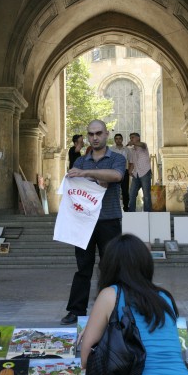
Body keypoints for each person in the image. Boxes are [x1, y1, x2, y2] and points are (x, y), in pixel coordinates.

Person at [81, 234, 188, 375]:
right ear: (146, 263)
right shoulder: (164, 298)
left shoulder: (110, 295)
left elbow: (86, 360)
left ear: (109, 265)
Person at [60, 119, 126, 325]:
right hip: (84, 222)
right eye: (91, 134)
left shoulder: (117, 158)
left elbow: (116, 176)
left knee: (111, 266)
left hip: (110, 219)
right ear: (87, 136)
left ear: (106, 134)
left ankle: (113, 309)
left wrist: (88, 174)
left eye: (98, 133)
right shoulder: (79, 161)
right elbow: (73, 182)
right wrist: (96, 178)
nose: (95, 137)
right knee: (83, 267)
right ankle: (76, 310)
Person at [128, 132, 152, 212]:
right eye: (130, 138)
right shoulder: (132, 150)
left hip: (145, 172)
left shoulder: (143, 145)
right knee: (132, 194)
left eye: (133, 137)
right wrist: (130, 171)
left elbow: (142, 145)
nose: (131, 139)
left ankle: (147, 213)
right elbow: (132, 163)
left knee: (146, 195)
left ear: (138, 138)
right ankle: (131, 213)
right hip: (136, 174)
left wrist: (133, 143)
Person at [110, 133, 131, 211]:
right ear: (115, 140)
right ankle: (114, 208)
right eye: (116, 138)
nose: (118, 140)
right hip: (114, 172)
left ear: (122, 139)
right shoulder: (111, 149)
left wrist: (130, 171)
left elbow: (131, 161)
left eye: (119, 138)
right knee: (115, 190)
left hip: (124, 172)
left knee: (125, 190)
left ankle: (126, 207)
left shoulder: (127, 150)